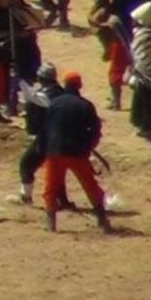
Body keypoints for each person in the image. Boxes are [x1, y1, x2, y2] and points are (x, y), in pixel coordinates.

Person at [41, 71, 113, 233]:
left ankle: (51, 223)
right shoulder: (85, 105)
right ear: (79, 85)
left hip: (55, 151)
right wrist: (89, 146)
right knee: (91, 186)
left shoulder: (54, 103)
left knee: (50, 187)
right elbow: (95, 130)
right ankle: (102, 220)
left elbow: (46, 128)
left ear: (65, 85)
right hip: (77, 152)